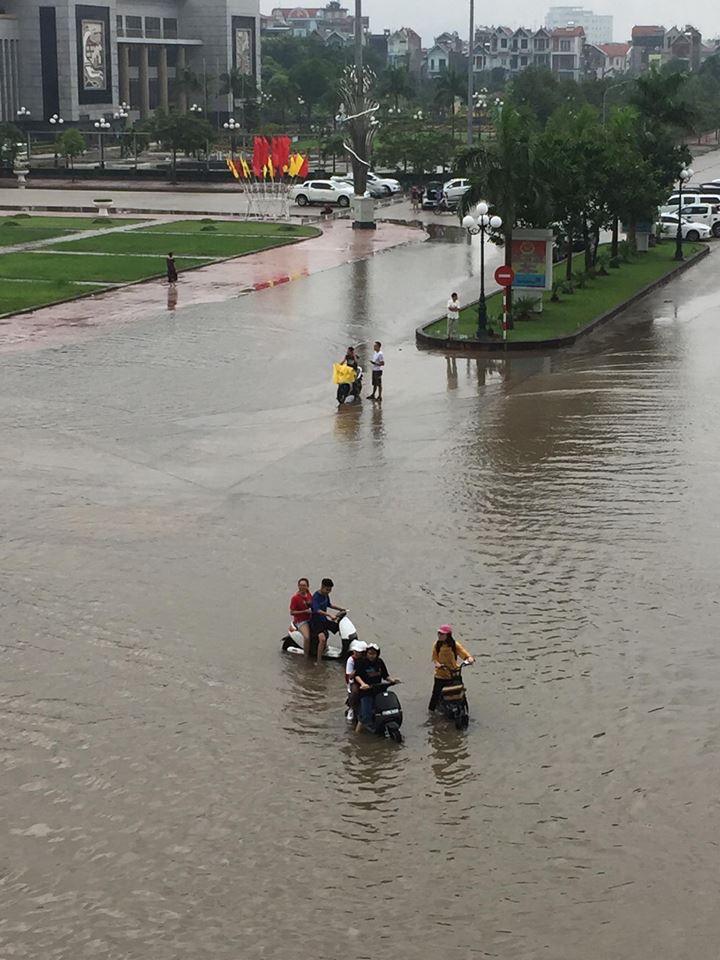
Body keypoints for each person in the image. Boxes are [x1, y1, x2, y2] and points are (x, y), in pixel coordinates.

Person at [429, 625, 475, 711]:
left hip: (453, 673)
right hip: (441, 674)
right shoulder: (436, 645)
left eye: (442, 634)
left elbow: (463, 652)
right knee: (435, 696)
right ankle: (431, 712)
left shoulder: (454, 645)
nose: (439, 635)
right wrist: (438, 664)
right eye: (439, 633)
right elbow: (435, 658)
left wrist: (469, 658)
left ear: (448, 635)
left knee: (461, 693)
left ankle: (465, 709)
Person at [354, 643, 400, 731]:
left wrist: (392, 680)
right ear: (366, 653)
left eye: (374, 654)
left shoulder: (380, 662)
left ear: (377, 654)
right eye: (370, 653)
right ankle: (357, 734)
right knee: (365, 716)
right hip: (366, 691)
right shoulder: (362, 662)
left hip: (378, 690)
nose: (371, 656)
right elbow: (357, 676)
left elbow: (385, 676)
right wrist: (363, 684)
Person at [310, 578, 345, 665]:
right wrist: (329, 615)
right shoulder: (316, 597)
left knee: (338, 628)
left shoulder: (326, 595)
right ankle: (318, 661)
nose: (328, 592)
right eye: (327, 589)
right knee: (322, 638)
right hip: (316, 622)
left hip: (324, 620)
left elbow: (329, 605)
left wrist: (341, 609)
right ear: (322, 587)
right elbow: (317, 610)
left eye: (330, 590)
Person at [345, 640, 367, 722]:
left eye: (359, 652)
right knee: (355, 692)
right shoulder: (351, 660)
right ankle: (351, 708)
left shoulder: (367, 660)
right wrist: (355, 671)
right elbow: (348, 676)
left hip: (366, 679)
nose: (356, 653)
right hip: (354, 681)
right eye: (355, 651)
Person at [289, 578, 313, 649]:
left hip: (310, 618)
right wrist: (304, 611)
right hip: (300, 621)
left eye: (304, 585)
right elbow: (292, 612)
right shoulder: (295, 598)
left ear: (307, 586)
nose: (302, 587)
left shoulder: (309, 594)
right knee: (307, 637)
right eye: (301, 585)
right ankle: (306, 656)